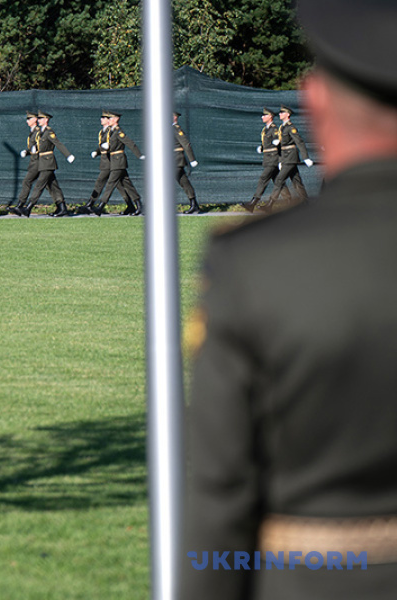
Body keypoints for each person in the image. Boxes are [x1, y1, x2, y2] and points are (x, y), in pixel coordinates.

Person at [182, 1, 397, 598]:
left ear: (317, 102)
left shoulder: (255, 265)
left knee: (280, 182)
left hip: (311, 578)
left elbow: (221, 489)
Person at [10, 110, 74, 218]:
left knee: (39, 185)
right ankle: (62, 208)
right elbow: (38, 147)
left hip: (48, 162)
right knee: (53, 186)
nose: (38, 120)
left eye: (40, 118)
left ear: (46, 120)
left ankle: (28, 208)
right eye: (38, 118)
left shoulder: (49, 132)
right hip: (42, 163)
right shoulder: (41, 133)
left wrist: (68, 155)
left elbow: (58, 143)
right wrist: (29, 151)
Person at [92, 111, 144, 216]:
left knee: (110, 184)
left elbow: (129, 143)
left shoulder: (118, 131)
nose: (108, 120)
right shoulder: (111, 131)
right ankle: (138, 206)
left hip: (118, 161)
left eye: (110, 118)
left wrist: (139, 155)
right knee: (127, 184)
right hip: (114, 161)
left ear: (116, 119)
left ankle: (101, 207)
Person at [264, 104, 314, 209]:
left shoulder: (291, 128)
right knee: (296, 181)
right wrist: (280, 160)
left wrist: (305, 157)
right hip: (286, 157)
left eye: (282, 112)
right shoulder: (282, 127)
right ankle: (306, 203)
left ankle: (270, 205)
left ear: (287, 114)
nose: (280, 114)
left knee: (279, 180)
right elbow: (281, 147)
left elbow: (299, 142)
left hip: (291, 157)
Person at [243, 107, 282, 212]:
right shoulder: (265, 129)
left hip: (273, 159)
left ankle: (253, 203)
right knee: (279, 183)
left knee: (263, 179)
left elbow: (278, 142)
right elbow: (267, 143)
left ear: (270, 116)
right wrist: (262, 147)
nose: (262, 117)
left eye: (265, 115)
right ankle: (289, 201)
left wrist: (280, 160)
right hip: (267, 159)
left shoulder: (274, 129)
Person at [172, 112, 201, 214]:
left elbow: (186, 144)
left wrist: (192, 159)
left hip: (176, 160)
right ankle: (194, 205)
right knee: (184, 182)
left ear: (174, 117)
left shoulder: (176, 129)